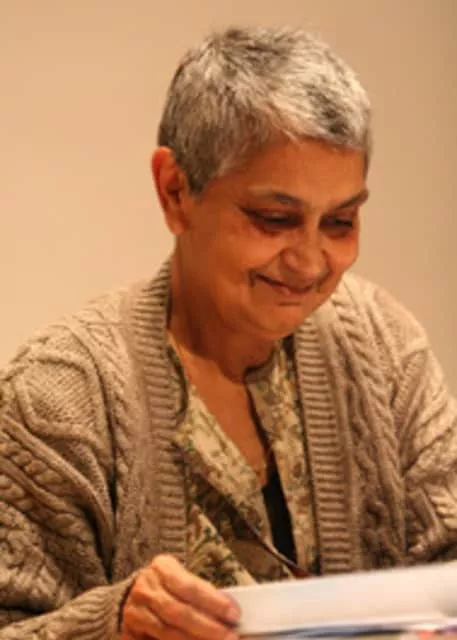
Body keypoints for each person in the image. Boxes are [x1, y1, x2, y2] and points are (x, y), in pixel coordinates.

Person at [0, 24, 456, 640]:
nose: (310, 261)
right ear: (175, 191)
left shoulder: (384, 348)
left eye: (341, 221)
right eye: (274, 218)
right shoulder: (60, 398)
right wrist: (112, 624)